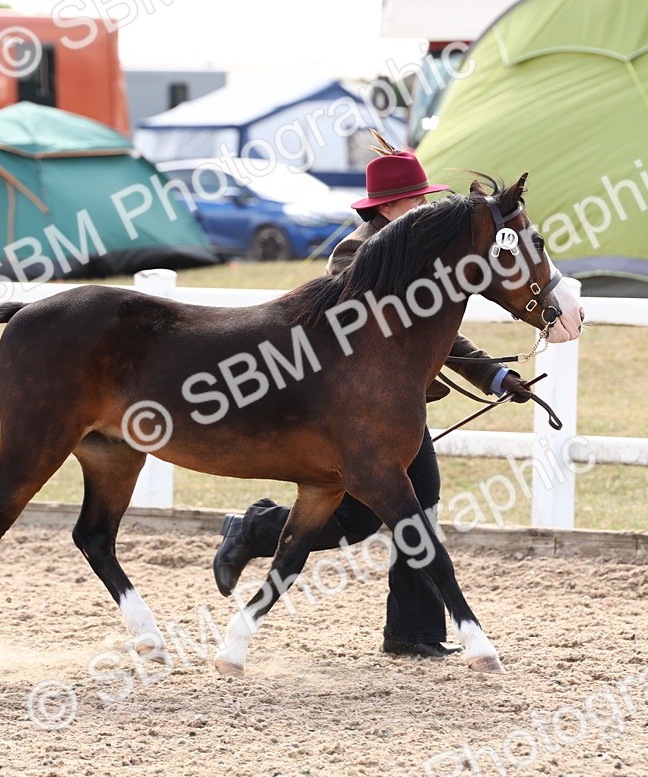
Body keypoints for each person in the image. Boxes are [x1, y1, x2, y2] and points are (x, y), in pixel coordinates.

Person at [212, 136, 533, 658]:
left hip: (398, 411)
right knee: (366, 519)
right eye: (416, 200)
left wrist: (495, 378)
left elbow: (438, 335)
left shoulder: (426, 250)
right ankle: (253, 528)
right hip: (354, 416)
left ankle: (413, 632)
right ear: (388, 207)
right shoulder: (356, 252)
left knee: (418, 509)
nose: (427, 207)